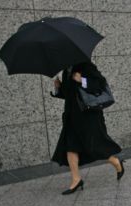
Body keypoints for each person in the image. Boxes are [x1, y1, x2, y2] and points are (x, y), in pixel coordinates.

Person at [51, 62, 124, 195]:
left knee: (95, 146)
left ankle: (116, 161)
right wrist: (58, 88)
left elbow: (100, 84)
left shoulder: (85, 65)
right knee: (70, 147)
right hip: (72, 116)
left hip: (88, 116)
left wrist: (82, 80)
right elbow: (69, 94)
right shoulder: (66, 71)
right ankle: (76, 179)